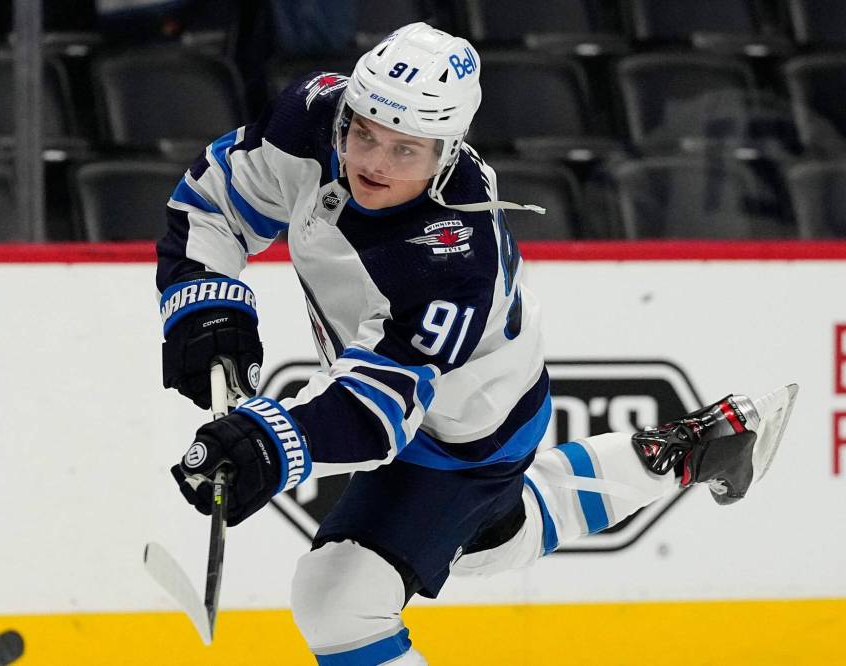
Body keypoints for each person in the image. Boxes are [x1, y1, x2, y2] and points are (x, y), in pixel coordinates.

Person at [155, 23, 796, 664]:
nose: (374, 162)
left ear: (447, 150)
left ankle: (683, 453)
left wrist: (267, 442)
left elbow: (375, 412)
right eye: (364, 133)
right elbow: (214, 204)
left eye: (406, 150)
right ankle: (691, 449)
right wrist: (207, 308)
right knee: (494, 536)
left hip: (466, 427)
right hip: (425, 391)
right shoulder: (313, 115)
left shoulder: (453, 256)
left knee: (339, 600)